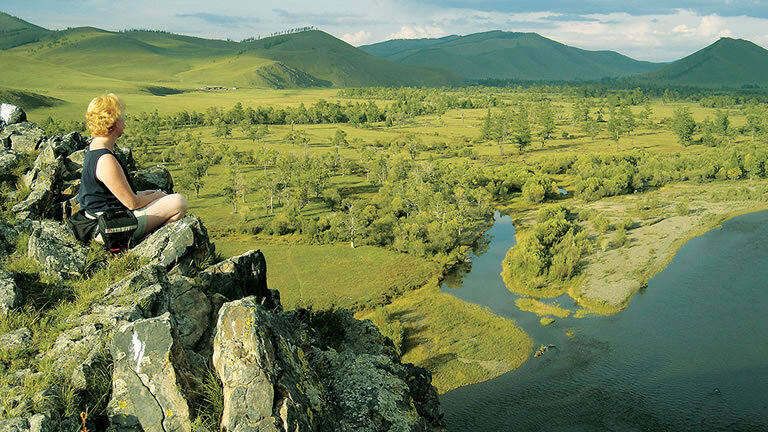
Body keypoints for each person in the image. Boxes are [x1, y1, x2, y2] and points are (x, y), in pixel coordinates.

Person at [78, 93, 187, 244]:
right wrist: (157, 196)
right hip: (107, 228)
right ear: (112, 122)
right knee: (178, 202)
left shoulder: (95, 148)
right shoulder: (106, 160)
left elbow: (117, 195)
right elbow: (132, 203)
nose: (124, 121)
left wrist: (147, 194)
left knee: (163, 198)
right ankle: (147, 244)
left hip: (101, 220)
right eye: (121, 117)